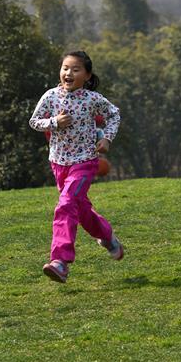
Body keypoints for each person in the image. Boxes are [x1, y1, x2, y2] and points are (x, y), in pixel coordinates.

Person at [29, 50, 123, 283]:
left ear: (87, 76)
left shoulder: (92, 99)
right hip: (58, 163)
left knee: (66, 204)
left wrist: (106, 139)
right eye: (65, 68)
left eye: (75, 69)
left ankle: (60, 261)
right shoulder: (50, 96)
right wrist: (54, 122)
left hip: (85, 162)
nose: (68, 73)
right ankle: (107, 236)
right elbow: (34, 121)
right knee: (79, 210)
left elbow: (114, 115)